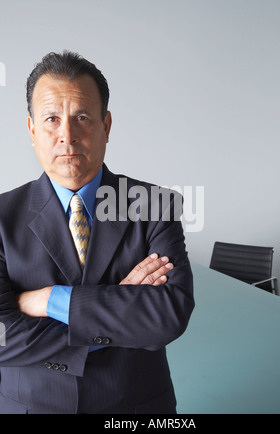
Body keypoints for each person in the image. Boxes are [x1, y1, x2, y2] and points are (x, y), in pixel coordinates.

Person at [0, 51, 194, 414]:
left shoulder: (155, 205)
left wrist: (48, 300)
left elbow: (168, 315)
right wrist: (116, 308)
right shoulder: (1, 217)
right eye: (52, 119)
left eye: (82, 118)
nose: (67, 136)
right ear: (31, 129)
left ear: (106, 126)